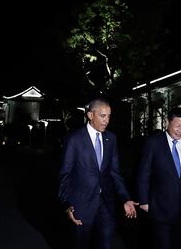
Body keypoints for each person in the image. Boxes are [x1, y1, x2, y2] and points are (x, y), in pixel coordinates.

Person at [59, 97, 138, 249]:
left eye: (109, 116)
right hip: (81, 204)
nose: (106, 120)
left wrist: (125, 198)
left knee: (106, 244)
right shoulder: (74, 139)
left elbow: (115, 172)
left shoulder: (111, 138)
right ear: (90, 115)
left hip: (106, 204)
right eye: (103, 116)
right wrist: (67, 203)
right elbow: (65, 174)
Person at [136, 107, 181, 249]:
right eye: (177, 125)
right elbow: (143, 175)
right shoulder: (153, 143)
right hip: (160, 207)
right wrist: (143, 201)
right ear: (167, 123)